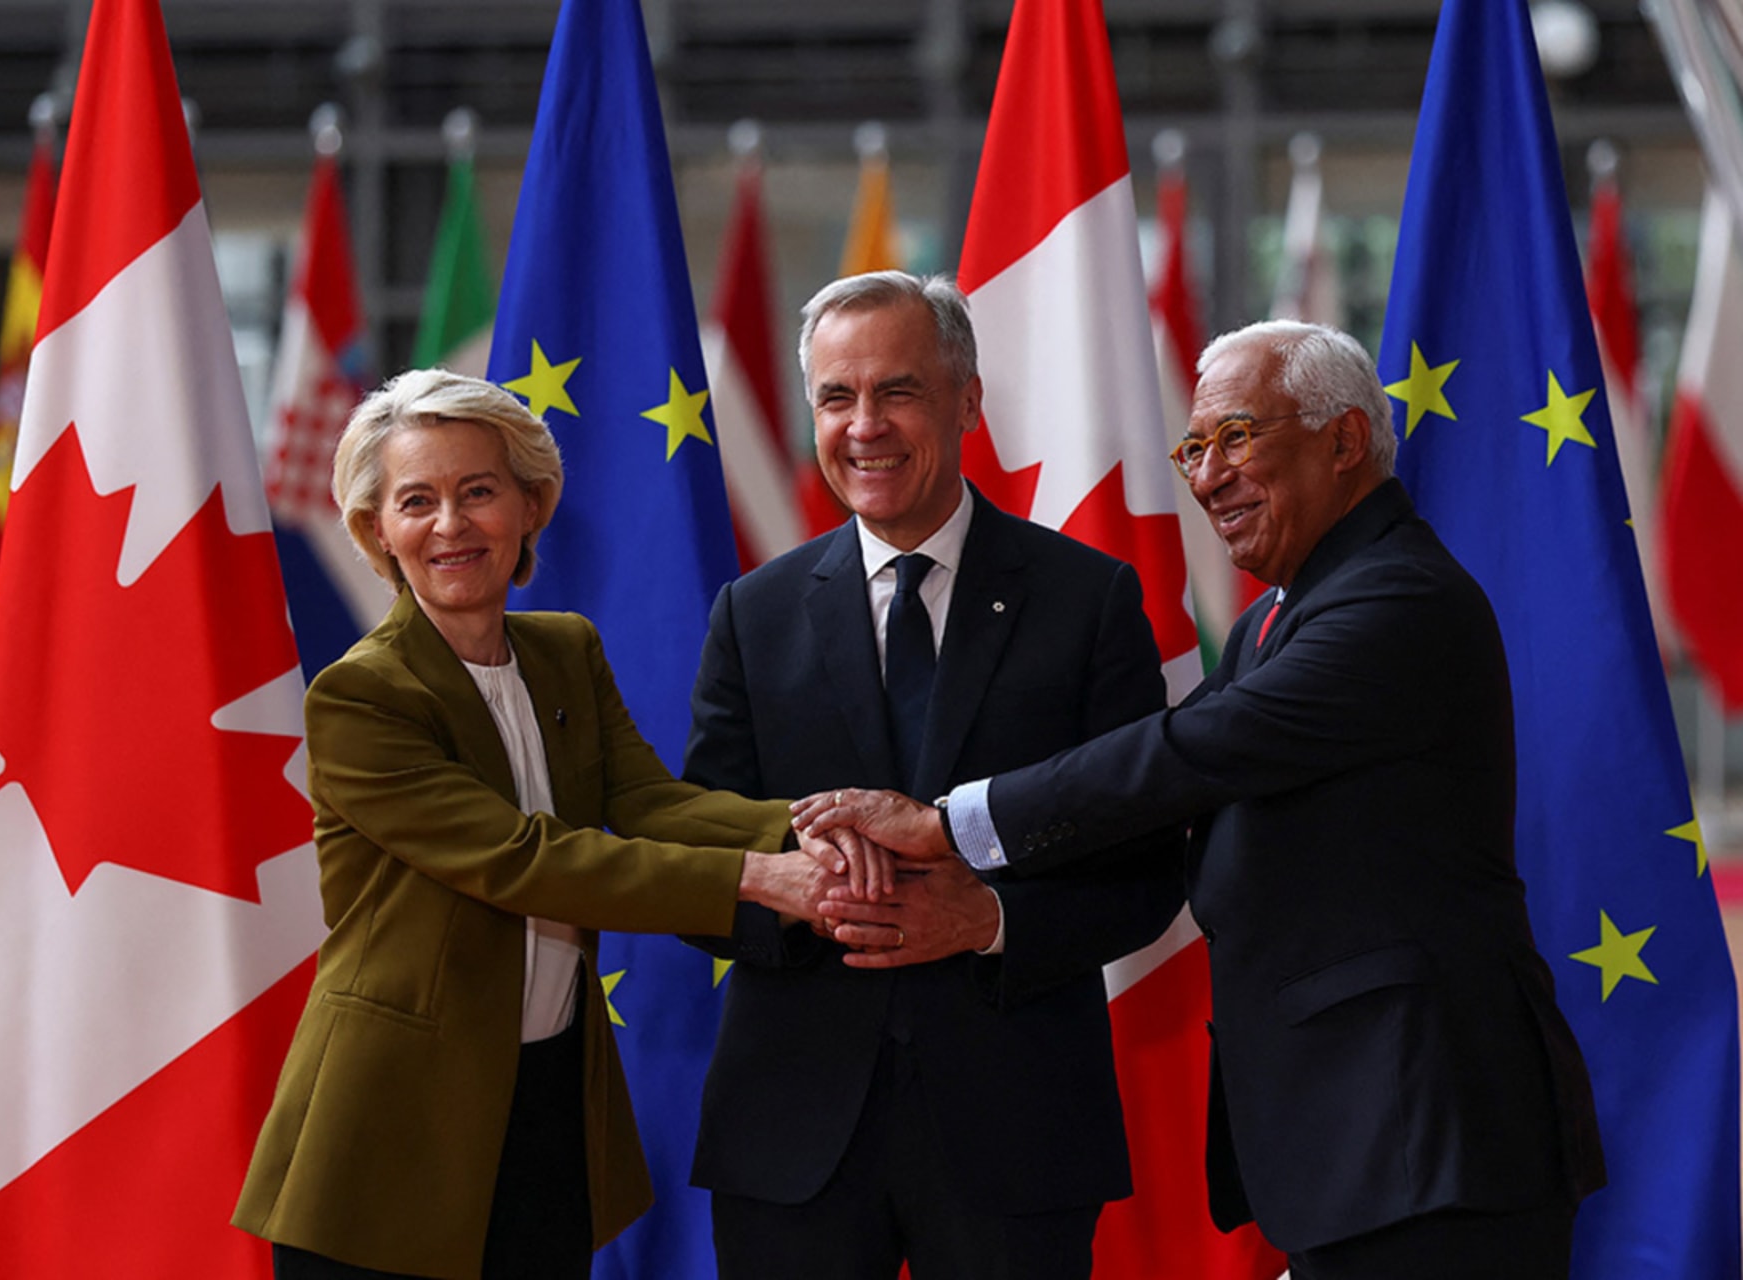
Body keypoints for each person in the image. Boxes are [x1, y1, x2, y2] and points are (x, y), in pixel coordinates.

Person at [797, 320, 1607, 1280]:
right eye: (1193, 447)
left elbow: (1185, 754)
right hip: (1363, 1143)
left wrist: (944, 824)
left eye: (1237, 437)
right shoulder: (1282, 613)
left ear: (1344, 441)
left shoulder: (1396, 600)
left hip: (1430, 1136)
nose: (1207, 475)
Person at [233, 370, 863, 1280]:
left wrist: (812, 830)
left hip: (547, 1107)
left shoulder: (565, 649)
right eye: (417, 500)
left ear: (531, 506)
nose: (450, 524)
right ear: (378, 530)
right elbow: (521, 859)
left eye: (478, 492)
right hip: (391, 1131)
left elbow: (652, 804)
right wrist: (758, 881)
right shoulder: (360, 695)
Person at [683, 270, 1184, 1279]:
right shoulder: (755, 610)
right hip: (793, 1132)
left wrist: (989, 919)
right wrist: (803, 892)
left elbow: (1150, 864)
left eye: (897, 390)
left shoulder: (1088, 599)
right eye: (836, 396)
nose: (863, 425)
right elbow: (700, 856)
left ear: (966, 400)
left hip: (1019, 1127)